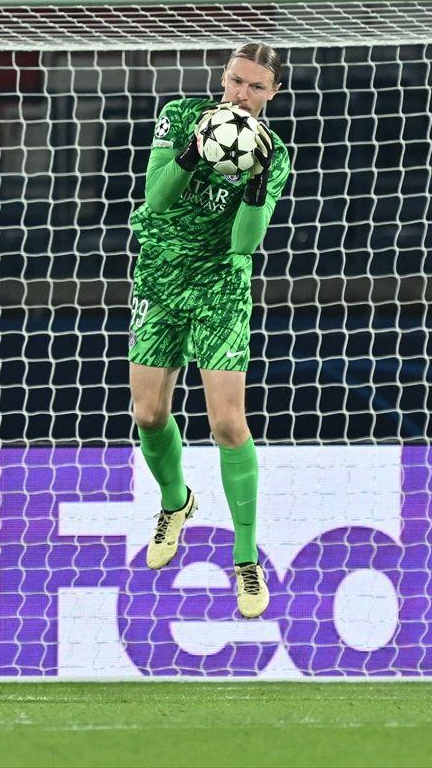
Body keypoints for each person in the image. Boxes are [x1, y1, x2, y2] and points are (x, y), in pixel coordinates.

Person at [128, 43, 291, 618]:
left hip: (221, 285)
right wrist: (195, 154)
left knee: (227, 423)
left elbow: (245, 243)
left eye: (255, 88)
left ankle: (246, 560)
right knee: (148, 414)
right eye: (235, 82)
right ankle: (177, 501)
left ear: (273, 95)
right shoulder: (179, 117)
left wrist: (254, 183)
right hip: (160, 274)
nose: (240, 96)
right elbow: (155, 197)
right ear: (222, 78)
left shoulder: (276, 153)